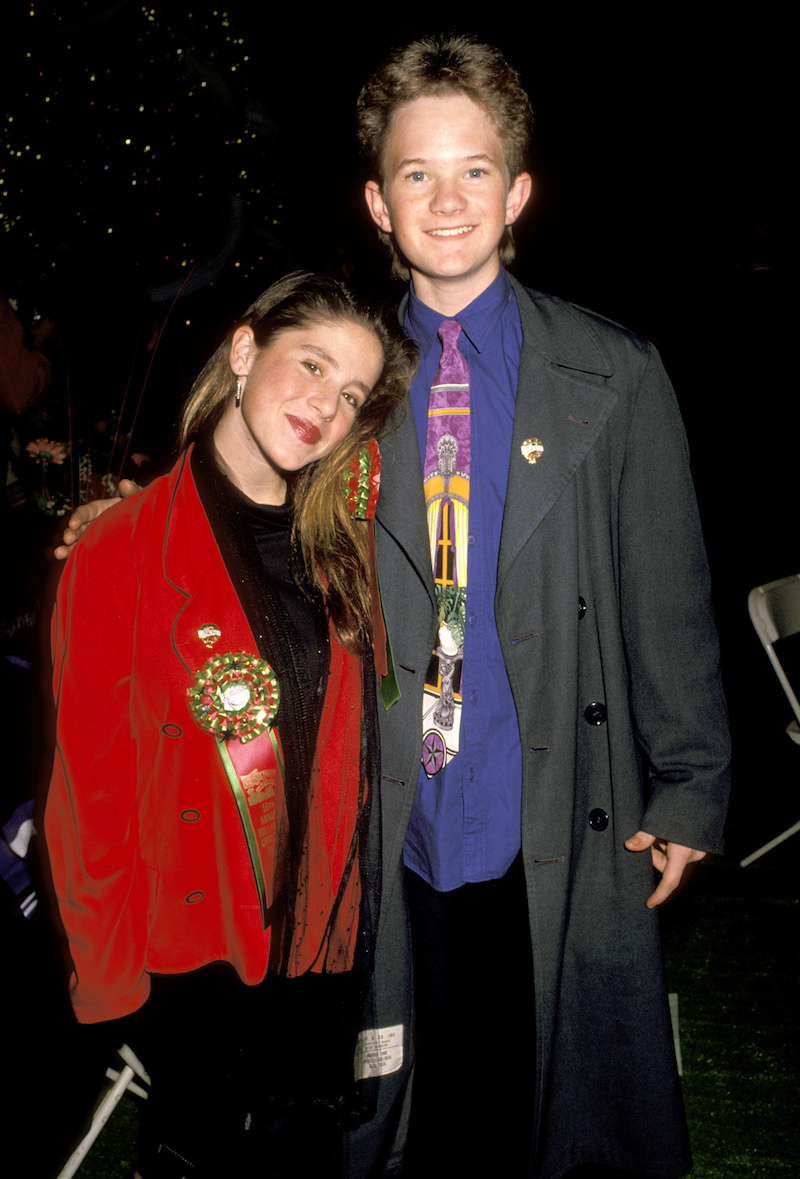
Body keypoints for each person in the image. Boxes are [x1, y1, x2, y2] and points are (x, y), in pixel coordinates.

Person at [56, 36, 731, 1179]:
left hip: (544, 797)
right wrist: (128, 517)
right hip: (379, 812)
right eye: (416, 173)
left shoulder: (613, 375)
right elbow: (247, 503)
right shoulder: (352, 379)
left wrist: (692, 782)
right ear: (377, 201)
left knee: (540, 1094)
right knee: (396, 1107)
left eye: (474, 170)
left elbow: (668, 594)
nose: (447, 199)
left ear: (516, 191)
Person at [44, 271, 416, 1178]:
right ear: (245, 352)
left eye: (351, 393)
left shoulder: (349, 530)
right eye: (312, 364)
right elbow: (89, 788)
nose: (324, 405)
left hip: (328, 925)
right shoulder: (120, 550)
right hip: (198, 945)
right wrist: (108, 978)